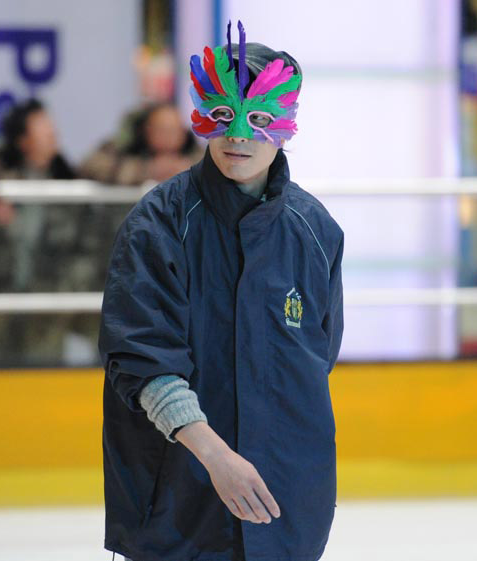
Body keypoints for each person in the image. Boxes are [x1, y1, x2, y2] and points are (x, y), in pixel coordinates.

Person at [99, 21, 344, 561]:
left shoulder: (315, 232)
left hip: (285, 506)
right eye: (224, 115)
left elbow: (317, 358)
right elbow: (141, 359)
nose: (238, 136)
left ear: (284, 125)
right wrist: (214, 456)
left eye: (258, 119)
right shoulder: (158, 224)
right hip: (177, 506)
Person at [0, 98, 86, 366]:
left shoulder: (65, 177)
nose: (51, 133)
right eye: (42, 126)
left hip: (42, 312)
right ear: (22, 139)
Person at [81, 102, 204, 186]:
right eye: (162, 129)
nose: (169, 137)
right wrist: (148, 170)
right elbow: (91, 167)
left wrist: (188, 171)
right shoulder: (125, 146)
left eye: (174, 130)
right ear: (148, 130)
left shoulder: (195, 153)